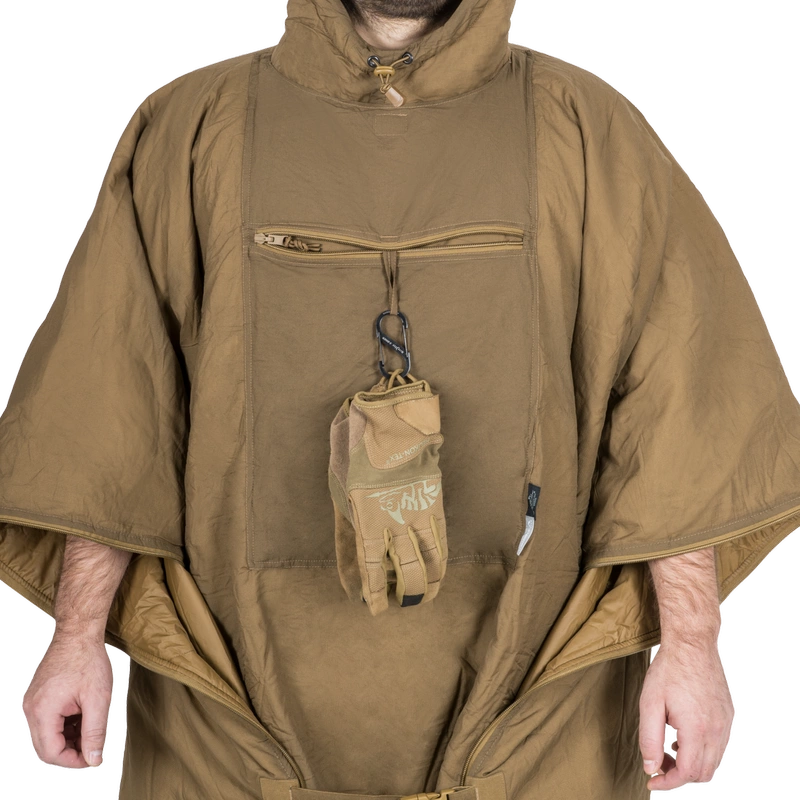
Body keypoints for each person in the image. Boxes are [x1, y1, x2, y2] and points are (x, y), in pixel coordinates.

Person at [1, 1, 798, 798]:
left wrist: (692, 645)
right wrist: (76, 637)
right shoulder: (193, 127)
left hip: (538, 721)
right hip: (232, 729)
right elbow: (112, 402)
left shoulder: (585, 127)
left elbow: (678, 393)